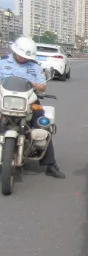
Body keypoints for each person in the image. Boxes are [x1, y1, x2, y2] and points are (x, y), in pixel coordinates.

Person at [0, 36, 65, 179]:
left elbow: (42, 87)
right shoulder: (2, 62)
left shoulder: (35, 66)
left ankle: (50, 165)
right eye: (21, 55)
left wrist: (33, 84)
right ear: (15, 51)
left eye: (26, 57)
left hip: (29, 100)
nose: (23, 58)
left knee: (43, 124)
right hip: (5, 99)